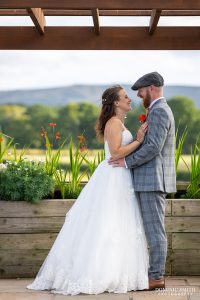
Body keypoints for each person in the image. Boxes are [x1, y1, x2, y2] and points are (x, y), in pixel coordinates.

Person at [27, 85, 149, 295]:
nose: (130, 100)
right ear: (116, 103)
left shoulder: (118, 122)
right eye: (125, 97)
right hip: (113, 177)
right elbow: (116, 153)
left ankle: (116, 272)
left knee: (118, 223)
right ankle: (97, 273)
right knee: (106, 223)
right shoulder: (113, 123)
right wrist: (139, 140)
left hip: (121, 176)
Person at [109, 72, 176, 290]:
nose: (138, 95)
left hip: (152, 181)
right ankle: (151, 274)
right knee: (149, 229)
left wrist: (127, 162)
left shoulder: (159, 111)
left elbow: (153, 147)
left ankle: (156, 277)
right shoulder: (155, 110)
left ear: (152, 88)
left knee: (155, 231)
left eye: (141, 91)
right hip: (148, 180)